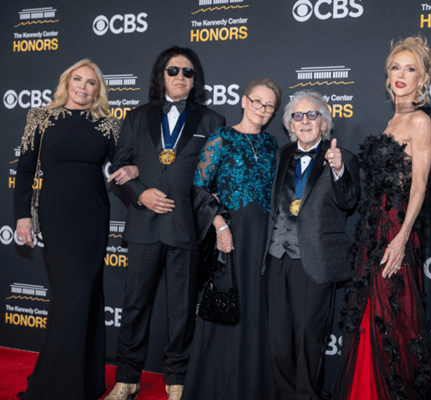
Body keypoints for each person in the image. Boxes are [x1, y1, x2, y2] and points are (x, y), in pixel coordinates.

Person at [105, 46, 226, 400]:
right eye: (173, 70)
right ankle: (127, 379)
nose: (180, 77)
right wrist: (140, 193)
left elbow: (214, 178)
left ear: (195, 79)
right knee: (134, 306)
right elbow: (119, 167)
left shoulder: (212, 121)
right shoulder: (136, 116)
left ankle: (176, 381)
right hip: (144, 225)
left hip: (186, 229)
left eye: (188, 72)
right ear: (161, 74)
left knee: (183, 310)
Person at [333, 37, 431, 400]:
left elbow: (420, 184)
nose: (401, 75)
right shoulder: (393, 119)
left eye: (411, 69)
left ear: (422, 78)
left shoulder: (420, 121)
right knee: (369, 314)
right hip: (373, 229)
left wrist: (401, 237)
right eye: (396, 67)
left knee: (392, 316)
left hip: (396, 228)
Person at [13, 59, 120, 400]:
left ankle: (83, 383)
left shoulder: (108, 125)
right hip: (56, 216)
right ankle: (58, 384)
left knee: (86, 294)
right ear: (66, 82)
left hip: (93, 217)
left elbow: (123, 164)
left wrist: (135, 173)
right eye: (78, 79)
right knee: (69, 295)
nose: (83, 87)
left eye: (91, 82)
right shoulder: (40, 118)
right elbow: (25, 170)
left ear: (98, 90)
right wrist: (23, 216)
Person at [180, 78, 282, 400]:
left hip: (263, 240)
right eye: (257, 102)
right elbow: (198, 187)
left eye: (269, 106)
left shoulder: (272, 144)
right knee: (224, 306)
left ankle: (249, 387)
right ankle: (214, 388)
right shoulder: (221, 137)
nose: (262, 110)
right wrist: (220, 225)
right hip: (230, 238)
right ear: (244, 100)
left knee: (255, 307)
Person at [264, 89, 361, 400]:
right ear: (290, 124)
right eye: (297, 115)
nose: (304, 121)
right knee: (279, 339)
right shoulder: (279, 155)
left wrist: (338, 170)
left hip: (314, 260)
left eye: (312, 115)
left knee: (309, 337)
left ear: (324, 123)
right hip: (276, 257)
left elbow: (349, 201)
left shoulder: (343, 157)